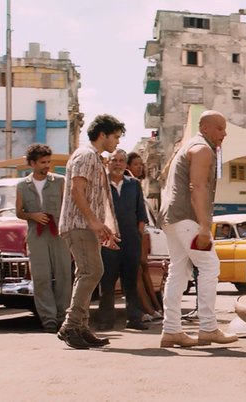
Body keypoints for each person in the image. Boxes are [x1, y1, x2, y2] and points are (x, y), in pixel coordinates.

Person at [159, 110, 237, 348]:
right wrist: (204, 226)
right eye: (219, 128)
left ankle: (171, 330)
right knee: (209, 266)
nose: (225, 133)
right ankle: (208, 328)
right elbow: (198, 188)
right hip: (187, 218)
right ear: (204, 128)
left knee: (178, 271)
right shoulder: (201, 149)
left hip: (172, 217)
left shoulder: (189, 147)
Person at [57, 114, 124, 349]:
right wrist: (94, 222)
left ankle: (81, 328)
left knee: (87, 273)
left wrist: (102, 227)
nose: (117, 142)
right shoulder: (86, 155)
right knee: (92, 272)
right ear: (102, 135)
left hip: (85, 225)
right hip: (79, 224)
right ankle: (70, 326)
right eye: (115, 137)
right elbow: (77, 190)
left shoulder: (95, 158)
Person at [15, 144, 73, 333]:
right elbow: (19, 212)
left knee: (64, 275)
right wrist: (33, 216)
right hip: (36, 235)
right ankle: (48, 320)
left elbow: (69, 207)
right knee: (41, 278)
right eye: (42, 162)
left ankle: (63, 318)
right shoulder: (23, 185)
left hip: (59, 234)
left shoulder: (60, 181)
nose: (47, 165)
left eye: (48, 161)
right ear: (32, 163)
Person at [96, 149, 149, 331]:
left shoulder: (133, 185)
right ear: (107, 163)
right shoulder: (101, 185)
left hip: (131, 241)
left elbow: (141, 214)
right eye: (114, 160)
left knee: (131, 283)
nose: (117, 163)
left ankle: (135, 319)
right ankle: (105, 321)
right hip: (108, 242)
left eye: (121, 160)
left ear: (126, 164)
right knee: (107, 283)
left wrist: (138, 236)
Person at [126, 152, 163, 321]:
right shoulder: (127, 184)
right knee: (138, 270)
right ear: (128, 166)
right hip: (130, 232)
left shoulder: (136, 184)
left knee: (144, 268)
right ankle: (147, 309)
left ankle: (155, 308)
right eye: (135, 164)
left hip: (141, 231)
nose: (140, 167)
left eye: (141, 164)